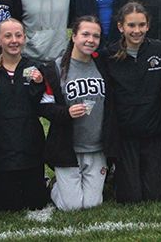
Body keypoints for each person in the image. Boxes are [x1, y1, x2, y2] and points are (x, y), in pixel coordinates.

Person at [39, 16, 108, 211]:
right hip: (68, 147)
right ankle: (55, 186)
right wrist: (66, 112)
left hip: (96, 147)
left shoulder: (102, 64)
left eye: (96, 36)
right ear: (74, 36)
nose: (90, 40)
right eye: (85, 34)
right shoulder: (55, 68)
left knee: (93, 204)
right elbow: (45, 107)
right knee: (72, 207)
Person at [101, 2, 161, 203]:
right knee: (131, 197)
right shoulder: (109, 55)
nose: (136, 31)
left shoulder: (159, 49)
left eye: (141, 25)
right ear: (121, 27)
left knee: (154, 195)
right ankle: (115, 175)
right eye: (131, 25)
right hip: (125, 134)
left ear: (148, 25)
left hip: (153, 132)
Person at [0, 18, 48, 210]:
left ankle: (43, 183)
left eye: (18, 35)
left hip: (30, 146)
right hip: (3, 149)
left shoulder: (34, 68)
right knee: (9, 206)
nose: (14, 40)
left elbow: (40, 105)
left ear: (24, 39)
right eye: (8, 36)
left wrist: (39, 84)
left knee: (36, 202)